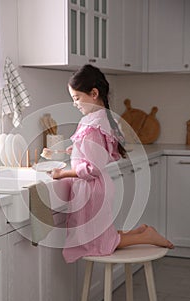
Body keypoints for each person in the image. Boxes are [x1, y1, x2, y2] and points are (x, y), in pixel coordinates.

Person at [48, 64, 174, 263]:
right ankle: (142, 232)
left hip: (91, 190)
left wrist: (61, 174)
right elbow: (104, 153)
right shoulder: (102, 119)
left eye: (77, 98)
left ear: (94, 93)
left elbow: (92, 168)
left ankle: (146, 236)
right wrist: (78, 150)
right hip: (96, 188)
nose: (75, 104)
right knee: (99, 236)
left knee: (97, 242)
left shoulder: (92, 124)